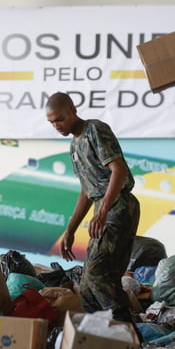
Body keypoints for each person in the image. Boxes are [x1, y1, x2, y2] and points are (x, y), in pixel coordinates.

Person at [44, 92, 140, 326]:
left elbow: (119, 171)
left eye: (59, 119)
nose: (57, 125)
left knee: (98, 274)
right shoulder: (74, 145)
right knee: (87, 286)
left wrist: (104, 210)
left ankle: (128, 332)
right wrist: (70, 229)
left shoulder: (95, 130)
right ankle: (104, 337)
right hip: (104, 205)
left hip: (119, 204)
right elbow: (86, 191)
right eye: (52, 122)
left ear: (73, 110)